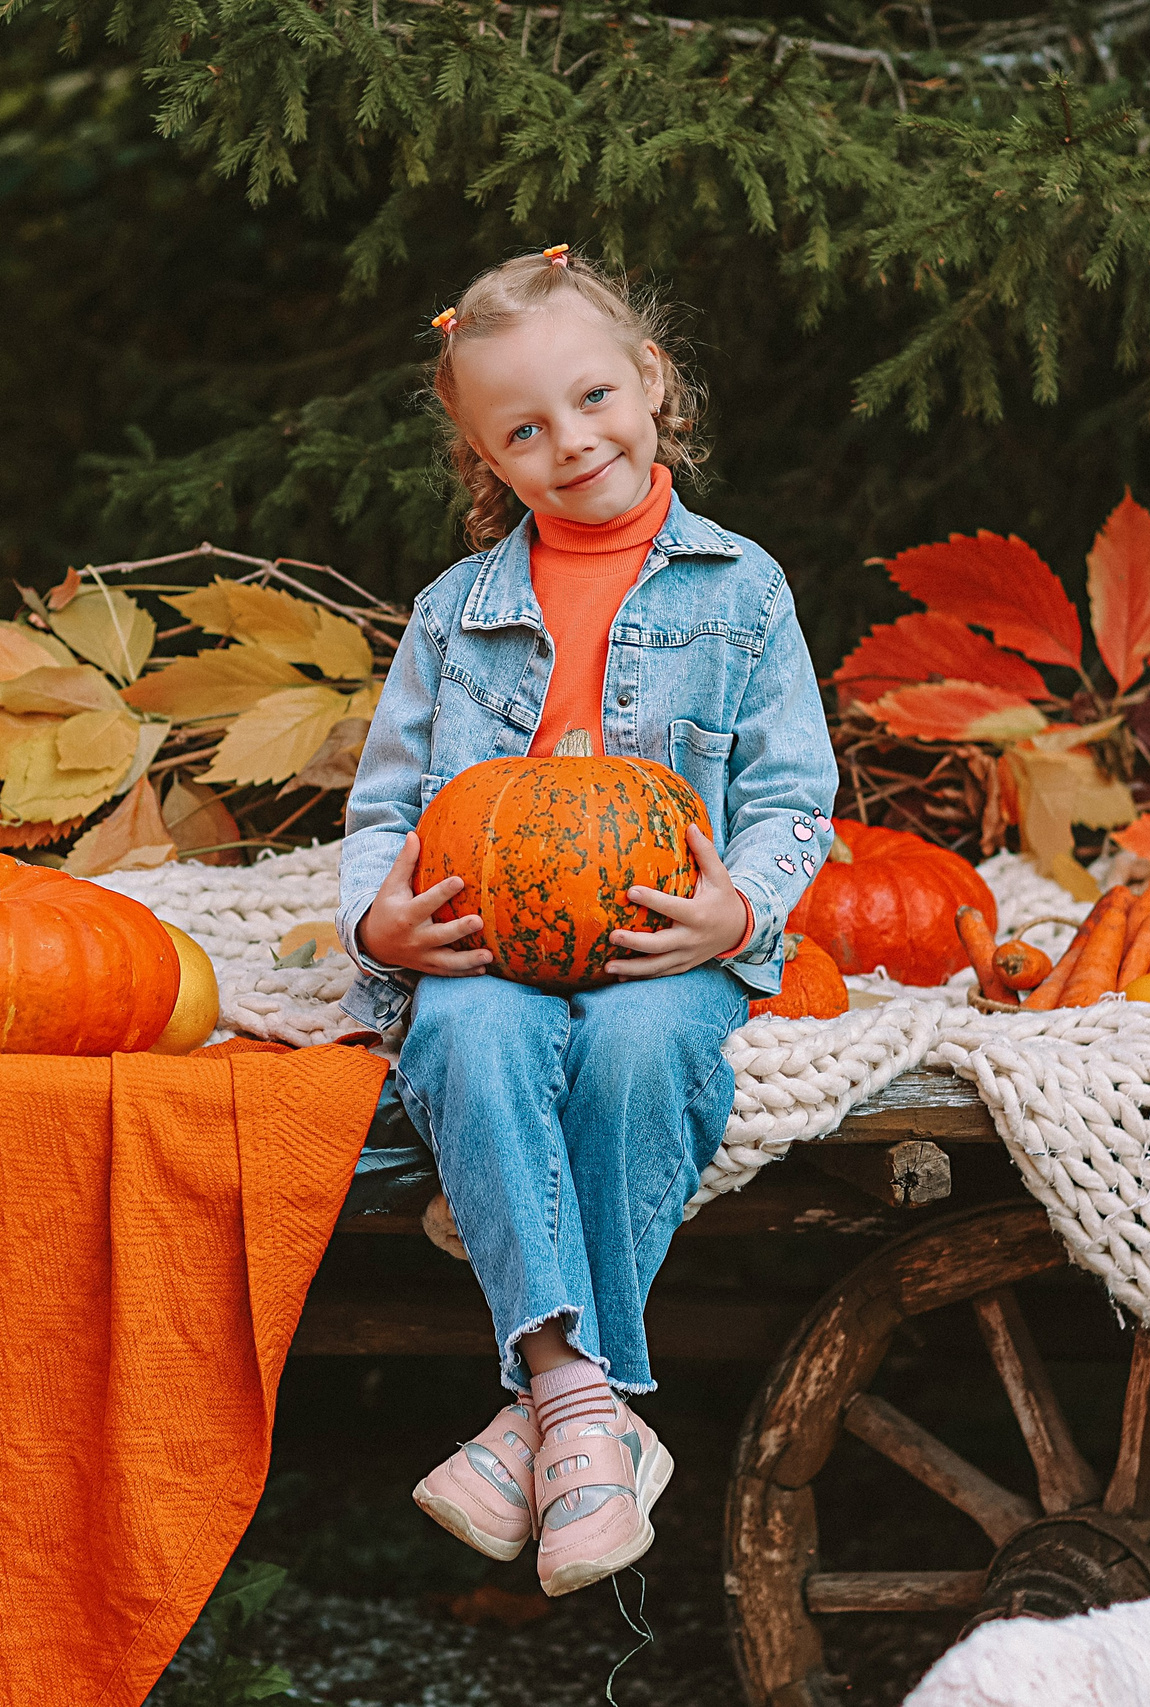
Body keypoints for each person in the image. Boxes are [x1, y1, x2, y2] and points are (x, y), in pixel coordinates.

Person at [335, 245, 839, 1596]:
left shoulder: (741, 591)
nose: (571, 442)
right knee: (468, 1043)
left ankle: (545, 1411)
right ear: (486, 460)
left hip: (664, 940)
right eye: (524, 430)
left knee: (632, 1053)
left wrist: (737, 910)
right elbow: (386, 813)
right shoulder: (456, 617)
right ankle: (584, 1408)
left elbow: (796, 801)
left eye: (594, 397)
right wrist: (381, 927)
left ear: (654, 384)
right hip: (493, 940)